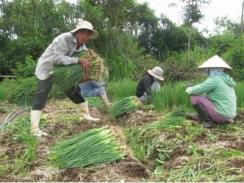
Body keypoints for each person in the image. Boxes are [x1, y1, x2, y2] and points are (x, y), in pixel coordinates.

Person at [31, 20, 100, 137]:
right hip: (48, 68)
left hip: (63, 72)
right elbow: (57, 59)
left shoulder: (83, 47)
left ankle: (85, 115)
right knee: (42, 94)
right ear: (76, 32)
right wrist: (78, 60)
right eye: (82, 32)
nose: (85, 35)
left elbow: (84, 62)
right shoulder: (65, 38)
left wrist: (87, 71)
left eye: (88, 33)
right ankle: (34, 129)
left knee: (73, 90)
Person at [185, 55, 237, 128]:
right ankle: (201, 116)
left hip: (222, 115)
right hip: (230, 115)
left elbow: (197, 90)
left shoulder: (215, 79)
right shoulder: (225, 79)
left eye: (208, 69)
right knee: (205, 97)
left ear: (212, 69)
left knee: (194, 97)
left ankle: (208, 121)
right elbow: (204, 90)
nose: (206, 71)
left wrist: (189, 88)